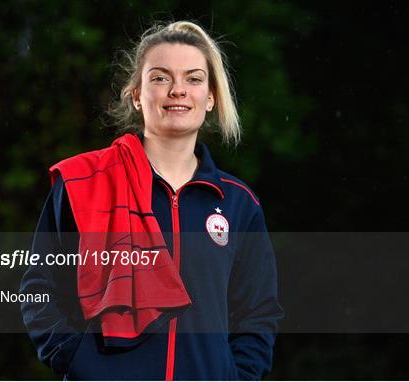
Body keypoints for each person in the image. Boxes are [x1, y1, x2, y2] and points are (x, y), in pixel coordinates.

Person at [20, 20, 283, 380]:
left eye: (193, 79)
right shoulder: (84, 182)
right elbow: (40, 289)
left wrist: (234, 375)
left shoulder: (240, 203)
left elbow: (258, 312)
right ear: (136, 94)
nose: (178, 90)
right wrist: (78, 360)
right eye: (160, 78)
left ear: (210, 98)